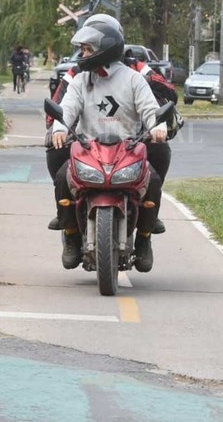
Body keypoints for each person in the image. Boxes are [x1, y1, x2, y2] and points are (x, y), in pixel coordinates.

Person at [50, 17, 167, 273]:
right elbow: (67, 108)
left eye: (87, 49)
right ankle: (70, 235)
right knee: (61, 178)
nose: (82, 54)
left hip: (128, 149)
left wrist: (158, 126)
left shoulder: (134, 79)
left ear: (106, 48)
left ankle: (144, 239)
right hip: (88, 149)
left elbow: (150, 109)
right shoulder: (81, 80)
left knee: (154, 182)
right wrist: (59, 128)